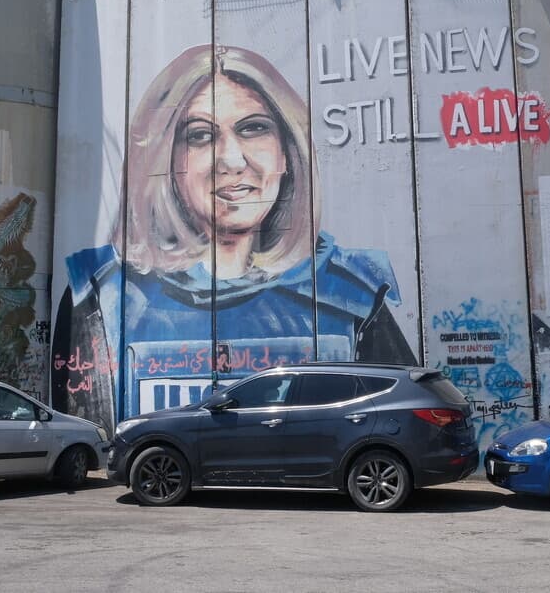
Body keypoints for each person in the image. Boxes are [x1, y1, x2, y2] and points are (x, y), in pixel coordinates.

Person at [52, 44, 415, 427]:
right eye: (200, 136)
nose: (232, 160)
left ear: (287, 152)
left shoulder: (352, 298)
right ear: (165, 159)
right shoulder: (102, 296)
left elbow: (396, 420)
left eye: (253, 128)